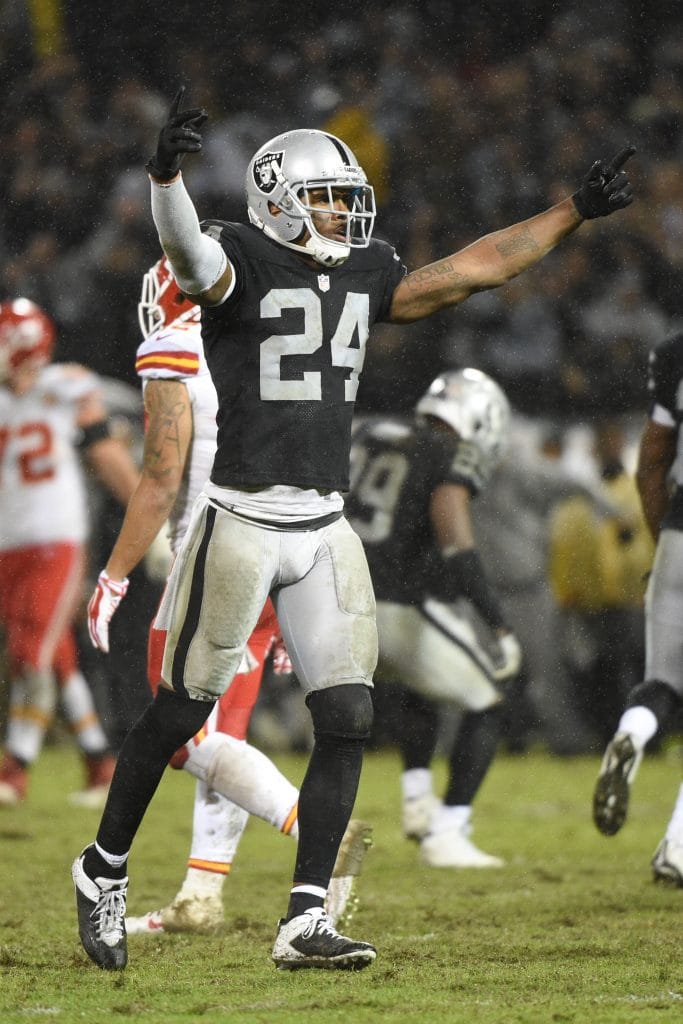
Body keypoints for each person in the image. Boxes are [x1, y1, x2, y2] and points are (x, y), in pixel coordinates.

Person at [72, 87, 636, 972]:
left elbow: (474, 267)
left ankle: (302, 920)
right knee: (180, 709)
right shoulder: (237, 259)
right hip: (243, 516)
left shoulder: (364, 271)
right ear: (277, 200)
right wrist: (165, 174)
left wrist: (570, 212)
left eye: (344, 197)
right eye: (327, 196)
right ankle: (101, 867)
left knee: (347, 716)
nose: (343, 210)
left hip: (324, 522)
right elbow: (183, 248)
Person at [87, 255, 371, 935]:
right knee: (226, 729)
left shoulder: (176, 344)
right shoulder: (263, 336)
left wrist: (115, 573)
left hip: (217, 558)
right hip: (297, 550)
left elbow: (159, 477)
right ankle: (202, 891)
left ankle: (315, 832)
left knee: (180, 733)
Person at [346, 368, 521, 868]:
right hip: (395, 602)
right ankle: (450, 829)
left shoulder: (371, 432)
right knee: (490, 698)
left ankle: (419, 801)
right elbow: (456, 543)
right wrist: (498, 622)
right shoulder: (447, 451)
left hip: (336, 594)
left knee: (414, 678)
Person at [0, 297, 139, 807]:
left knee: (29, 652)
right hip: (8, 544)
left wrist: (153, 521)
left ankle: (15, 767)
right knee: (54, 657)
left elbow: (105, 449)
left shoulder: (66, 386)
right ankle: (100, 762)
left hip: (56, 540)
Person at [592, 330, 683, 885]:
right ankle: (676, 847)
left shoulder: (674, 350)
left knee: (663, 683)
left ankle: (632, 733)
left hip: (680, 526)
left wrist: (664, 542)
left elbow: (652, 462)